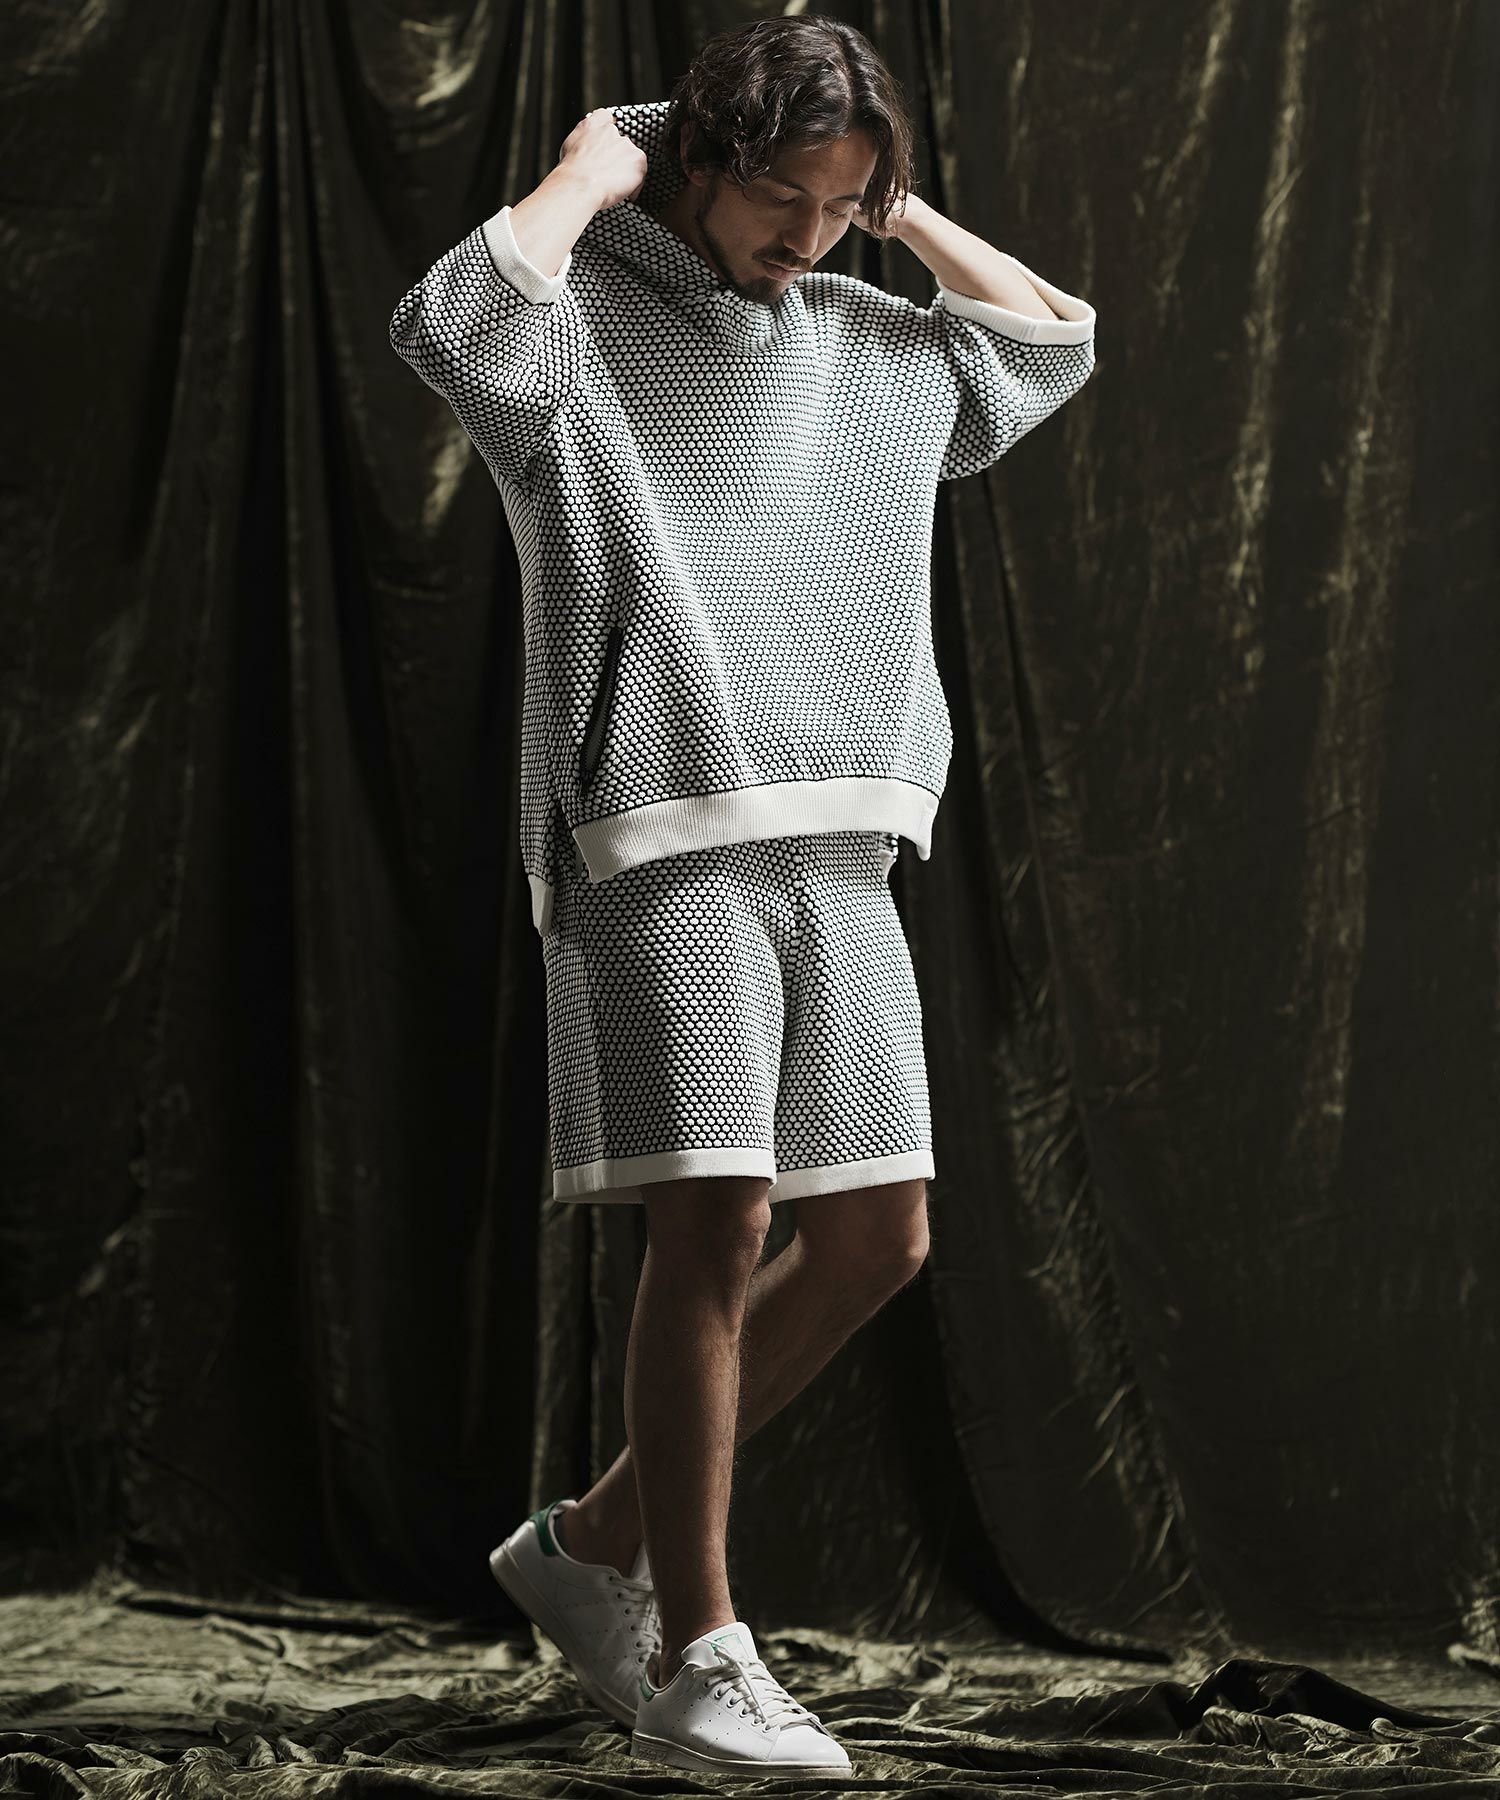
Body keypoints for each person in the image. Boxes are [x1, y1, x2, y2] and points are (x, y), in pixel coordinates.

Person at [389, 13, 1097, 1776]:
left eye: (839, 207)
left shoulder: (863, 339)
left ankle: (592, 1545)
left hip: (844, 837)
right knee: (712, 1223)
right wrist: (592, 162)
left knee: (879, 1236)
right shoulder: (573, 335)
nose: (807, 236)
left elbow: (1052, 340)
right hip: (662, 828)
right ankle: (700, 1646)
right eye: (783, 195)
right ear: (696, 161)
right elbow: (450, 323)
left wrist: (892, 211)